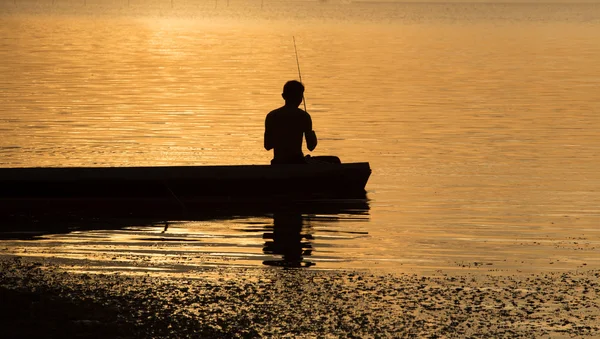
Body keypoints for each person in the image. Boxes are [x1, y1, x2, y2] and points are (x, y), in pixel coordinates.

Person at [264, 80, 317, 164]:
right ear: (301, 98)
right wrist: (312, 134)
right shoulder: (304, 116)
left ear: (283, 96)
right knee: (334, 160)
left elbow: (267, 146)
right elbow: (311, 146)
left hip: (278, 162)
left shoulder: (271, 116)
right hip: (297, 162)